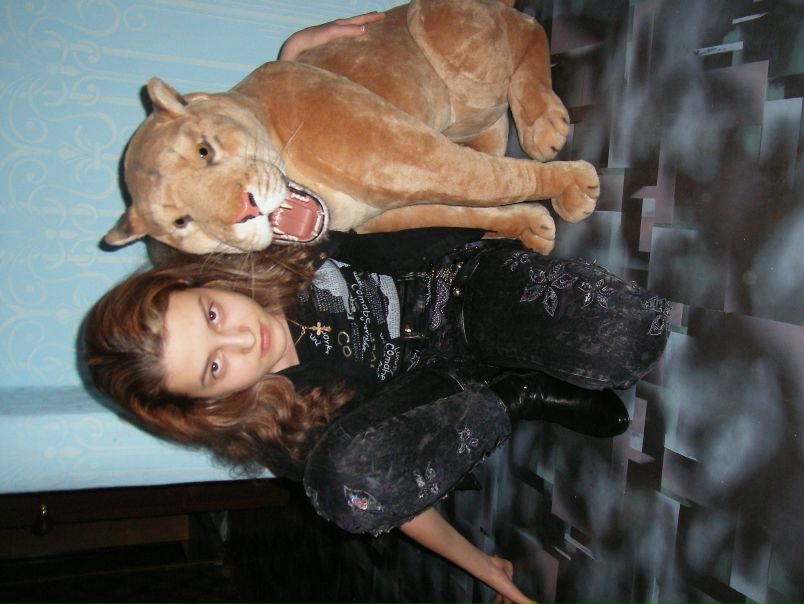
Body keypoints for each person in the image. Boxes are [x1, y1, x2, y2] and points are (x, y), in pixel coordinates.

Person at [84, 226, 669, 603]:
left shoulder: (275, 243)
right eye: (214, 368)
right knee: (340, 490)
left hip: (459, 290)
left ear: (200, 281)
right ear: (207, 404)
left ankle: (520, 355)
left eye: (212, 315)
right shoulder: (277, 425)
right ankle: (520, 393)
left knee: (634, 336)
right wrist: (483, 567)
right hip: (447, 391)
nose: (240, 340)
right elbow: (378, 491)